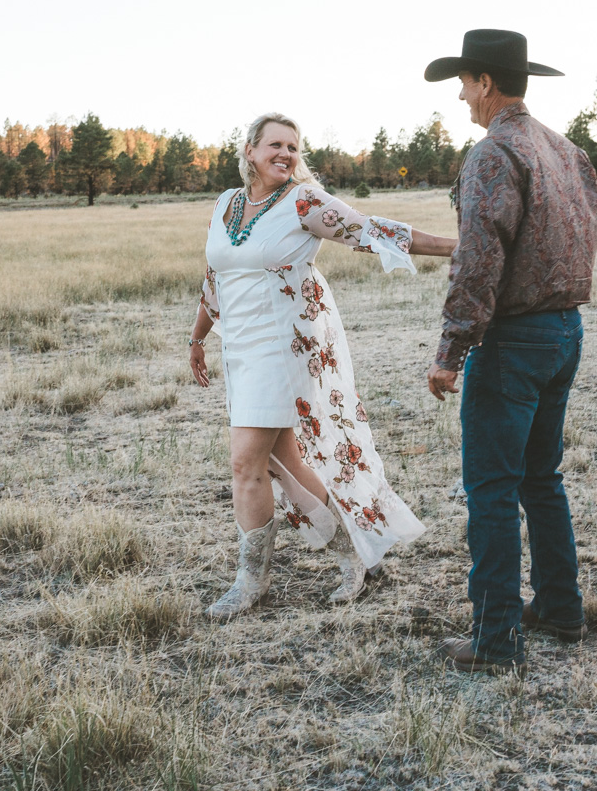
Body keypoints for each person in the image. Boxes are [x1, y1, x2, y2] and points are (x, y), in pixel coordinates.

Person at [188, 113, 457, 620]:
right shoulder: (226, 204)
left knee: (246, 462)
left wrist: (456, 247)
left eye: (293, 147)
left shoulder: (304, 202)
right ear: (250, 151)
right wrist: (198, 336)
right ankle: (356, 553)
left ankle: (250, 583)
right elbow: (214, 277)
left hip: (284, 347)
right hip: (240, 349)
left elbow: (370, 230)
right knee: (284, 461)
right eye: (275, 145)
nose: (286, 154)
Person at [422, 29, 597, 673]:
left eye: (464, 84)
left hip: (514, 341)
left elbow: (478, 258)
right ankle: (559, 606)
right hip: (564, 332)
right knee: (541, 478)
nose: (461, 97)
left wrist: (451, 349)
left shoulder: (493, 154)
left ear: (487, 83)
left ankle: (496, 639)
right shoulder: (567, 150)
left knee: (492, 489)